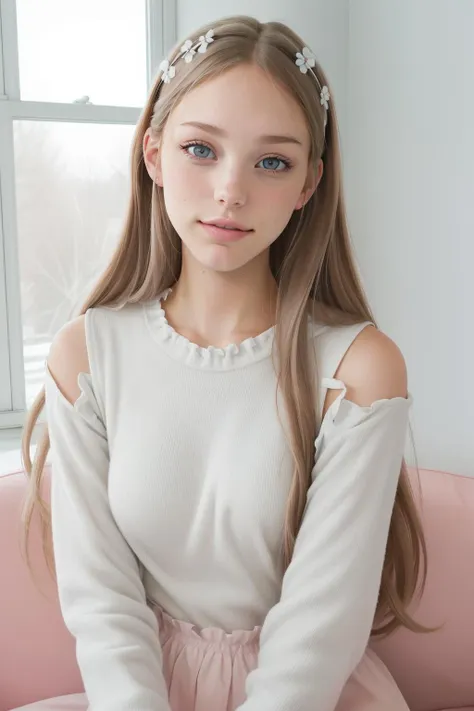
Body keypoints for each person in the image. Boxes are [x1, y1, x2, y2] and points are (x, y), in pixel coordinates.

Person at [20, 15, 432, 711]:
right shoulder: (87, 355)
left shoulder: (359, 369)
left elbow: (321, 625)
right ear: (153, 153)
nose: (230, 191)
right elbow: (102, 601)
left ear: (309, 183)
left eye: (272, 161)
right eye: (200, 149)